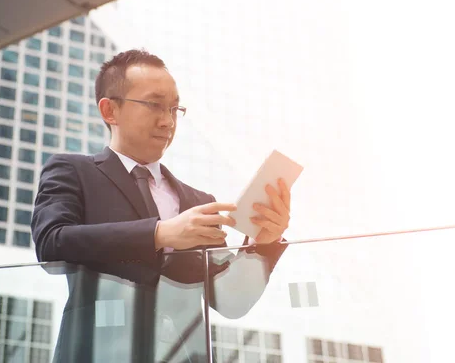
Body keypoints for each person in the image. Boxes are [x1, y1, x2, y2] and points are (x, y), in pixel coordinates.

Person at [31, 49, 291, 362]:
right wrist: (160, 234)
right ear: (110, 110)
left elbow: (230, 302)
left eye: (174, 108)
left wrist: (262, 245)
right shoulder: (73, 171)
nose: (168, 121)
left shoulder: (198, 202)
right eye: (155, 105)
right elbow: (51, 242)